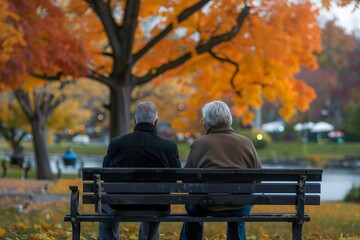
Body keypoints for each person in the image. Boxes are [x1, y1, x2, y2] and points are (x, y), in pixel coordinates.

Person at [180, 100, 262, 240]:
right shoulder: (246, 143)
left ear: (209, 123)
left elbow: (186, 180)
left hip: (204, 205)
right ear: (228, 120)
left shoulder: (199, 143)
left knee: (194, 205)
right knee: (239, 205)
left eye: (203, 120)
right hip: (239, 206)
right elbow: (258, 177)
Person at [98, 101, 181, 240]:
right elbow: (174, 179)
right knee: (157, 200)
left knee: (106, 201)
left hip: (120, 204)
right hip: (157, 206)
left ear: (135, 121)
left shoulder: (116, 144)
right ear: (156, 122)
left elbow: (105, 175)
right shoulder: (169, 148)